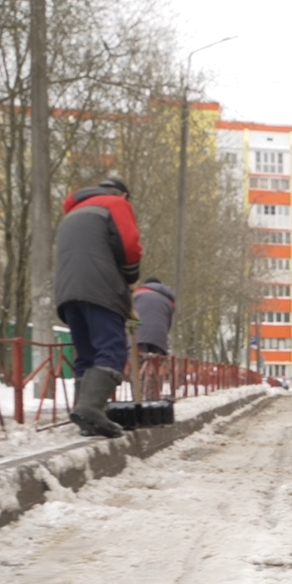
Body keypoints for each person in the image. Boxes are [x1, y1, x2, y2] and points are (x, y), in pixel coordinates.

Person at [53, 176, 141, 437]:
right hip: (100, 288)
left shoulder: (72, 214)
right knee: (111, 348)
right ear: (123, 195)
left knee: (88, 354)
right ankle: (91, 408)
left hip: (67, 292)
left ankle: (85, 415)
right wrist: (130, 277)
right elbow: (129, 246)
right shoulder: (115, 204)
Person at [132, 279, 175, 400]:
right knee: (156, 364)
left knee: (137, 364)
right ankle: (153, 397)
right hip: (159, 336)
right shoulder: (169, 299)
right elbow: (168, 323)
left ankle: (136, 396)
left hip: (137, 334)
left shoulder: (137, 293)